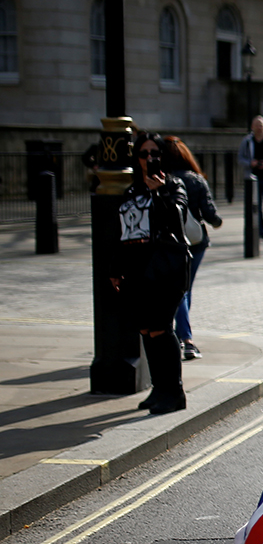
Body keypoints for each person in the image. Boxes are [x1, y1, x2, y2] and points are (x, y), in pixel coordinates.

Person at [108, 134, 191, 414]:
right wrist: (116, 269)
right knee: (145, 329)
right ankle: (159, 389)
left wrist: (160, 192)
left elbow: (176, 219)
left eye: (154, 153)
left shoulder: (174, 186)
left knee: (160, 328)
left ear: (162, 157)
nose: (149, 158)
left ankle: (175, 392)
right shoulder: (132, 192)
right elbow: (124, 234)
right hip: (138, 270)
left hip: (166, 268)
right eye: (143, 154)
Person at [161, 136, 222, 361]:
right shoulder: (196, 180)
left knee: (180, 289)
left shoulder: (163, 180)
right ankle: (185, 339)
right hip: (196, 242)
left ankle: (182, 337)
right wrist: (217, 222)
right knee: (185, 289)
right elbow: (210, 213)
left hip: (171, 241)